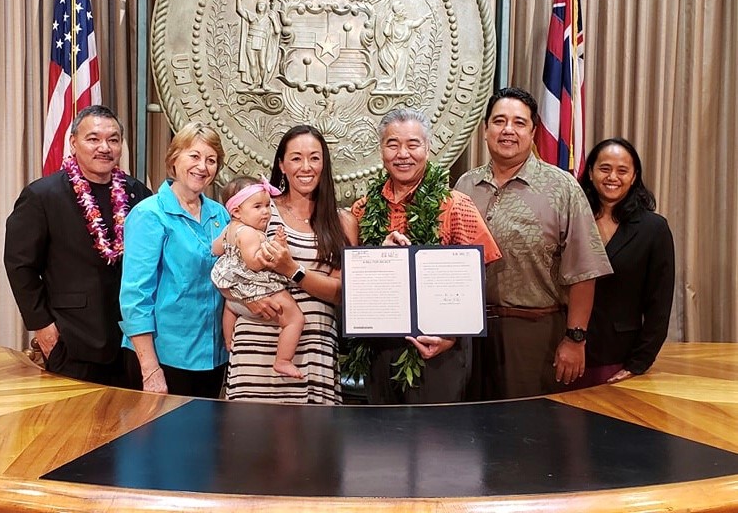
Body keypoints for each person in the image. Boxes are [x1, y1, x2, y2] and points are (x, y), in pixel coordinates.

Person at [454, 87, 613, 401]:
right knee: (471, 436)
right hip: (469, 336)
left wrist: (575, 338)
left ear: (533, 131)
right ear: (485, 130)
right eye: (499, 121)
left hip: (533, 334)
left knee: (525, 437)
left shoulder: (561, 187)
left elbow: (585, 269)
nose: (508, 130)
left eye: (519, 122)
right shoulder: (465, 185)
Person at [350, 109, 502, 405]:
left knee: (436, 443)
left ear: (427, 149)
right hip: (379, 346)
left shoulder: (455, 205)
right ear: (381, 150)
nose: (402, 154)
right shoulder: (363, 209)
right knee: (382, 441)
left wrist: (452, 335)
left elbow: (479, 275)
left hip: (440, 347)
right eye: (392, 144)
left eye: (413, 144)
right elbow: (352, 280)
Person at [4, 105, 151, 387]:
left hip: (131, 342)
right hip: (72, 340)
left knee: (130, 428)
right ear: (73, 143)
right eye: (93, 139)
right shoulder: (42, 195)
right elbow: (20, 265)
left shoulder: (138, 194)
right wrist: (44, 328)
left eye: (113, 139)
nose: (104, 148)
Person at [224, 125, 360, 404]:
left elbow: (340, 292)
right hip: (257, 351)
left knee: (311, 447)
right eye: (296, 158)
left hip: (315, 354)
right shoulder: (260, 210)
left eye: (314, 158)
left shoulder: (342, 221)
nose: (306, 167)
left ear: (324, 164)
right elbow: (226, 269)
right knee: (251, 445)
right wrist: (246, 300)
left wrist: (292, 269)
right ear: (282, 165)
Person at [119, 122, 229, 398]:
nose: (202, 166)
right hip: (163, 359)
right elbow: (135, 297)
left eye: (211, 160)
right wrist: (150, 369)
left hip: (213, 358)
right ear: (174, 159)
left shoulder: (221, 215)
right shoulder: (149, 214)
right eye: (194, 156)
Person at [576, 138, 675, 386]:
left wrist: (639, 362)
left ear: (634, 177)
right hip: (565, 350)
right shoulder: (572, 218)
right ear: (590, 172)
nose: (613, 177)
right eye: (604, 168)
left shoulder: (654, 229)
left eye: (622, 170)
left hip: (619, 356)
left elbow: (659, 305)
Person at [211, 176, 305, 380]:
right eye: (257, 207)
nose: (265, 211)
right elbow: (254, 263)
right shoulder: (250, 234)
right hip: (260, 289)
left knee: (228, 306)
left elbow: (215, 248)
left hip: (235, 297)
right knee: (295, 319)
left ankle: (229, 340)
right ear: (236, 211)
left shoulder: (230, 229)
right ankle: (283, 360)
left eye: (267, 206)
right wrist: (271, 252)